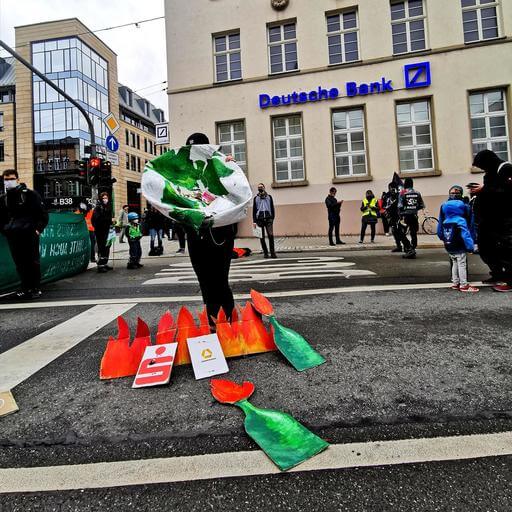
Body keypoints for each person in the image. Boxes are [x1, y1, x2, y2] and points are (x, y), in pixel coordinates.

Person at [183, 132, 237, 323]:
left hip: (220, 233)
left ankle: (229, 319)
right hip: (196, 235)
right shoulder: (185, 175)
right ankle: (213, 322)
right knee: (205, 282)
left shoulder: (219, 166)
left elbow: (236, 195)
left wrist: (231, 169)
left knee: (220, 280)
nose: (193, 154)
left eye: (197, 149)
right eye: (190, 150)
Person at [0, 168, 49, 299]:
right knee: (20, 263)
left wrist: (38, 229)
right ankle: (25, 287)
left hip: (29, 234)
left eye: (11, 179)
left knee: (32, 261)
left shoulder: (30, 195)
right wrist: (6, 230)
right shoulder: (3, 198)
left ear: (18, 179)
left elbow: (42, 214)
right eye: (6, 180)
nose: (8, 182)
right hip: (13, 235)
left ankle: (35, 288)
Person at [470, 149, 512, 292]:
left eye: (482, 165)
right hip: (488, 220)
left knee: (506, 249)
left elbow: (505, 191)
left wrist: (484, 189)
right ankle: (498, 274)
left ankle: (510, 280)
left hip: (504, 219)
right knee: (485, 248)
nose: (481, 169)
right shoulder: (490, 173)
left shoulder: (506, 169)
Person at [437, 186, 479, 293]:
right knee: (461, 263)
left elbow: (440, 224)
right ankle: (464, 285)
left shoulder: (444, 207)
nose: (454, 194)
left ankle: (455, 283)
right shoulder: (464, 209)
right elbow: (469, 228)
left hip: (448, 241)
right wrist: (471, 245)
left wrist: (443, 237)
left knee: (454, 262)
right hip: (460, 242)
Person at [397, 177, 424, 259]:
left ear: (405, 184)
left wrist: (401, 213)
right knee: (413, 233)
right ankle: (413, 248)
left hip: (405, 216)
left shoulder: (402, 193)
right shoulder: (417, 193)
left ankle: (408, 247)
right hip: (414, 216)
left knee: (400, 233)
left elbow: (400, 206)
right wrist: (414, 209)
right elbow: (422, 205)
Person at [92, 191, 114, 273]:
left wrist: (111, 222)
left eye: (106, 198)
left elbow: (108, 218)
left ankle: (104, 263)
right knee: (102, 248)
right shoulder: (98, 208)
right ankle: (100, 265)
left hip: (107, 230)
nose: (105, 199)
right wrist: (107, 220)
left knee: (107, 247)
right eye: (104, 198)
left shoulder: (108, 207)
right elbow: (96, 220)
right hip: (100, 231)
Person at [252, 183, 276, 258]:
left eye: (261, 187)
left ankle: (272, 253)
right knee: (261, 237)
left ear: (264, 188)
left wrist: (272, 218)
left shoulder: (269, 197)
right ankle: (265, 253)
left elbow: (272, 208)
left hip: (268, 218)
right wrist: (254, 221)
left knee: (271, 235)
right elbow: (254, 210)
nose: (260, 188)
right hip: (259, 219)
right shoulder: (256, 198)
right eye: (259, 187)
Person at [384, 182, 403, 252]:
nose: (391, 190)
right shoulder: (388, 196)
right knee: (394, 231)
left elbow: (399, 205)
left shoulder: (399, 196)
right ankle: (399, 246)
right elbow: (386, 205)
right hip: (392, 217)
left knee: (400, 232)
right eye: (390, 188)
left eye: (392, 188)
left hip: (398, 216)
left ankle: (407, 247)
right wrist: (387, 211)